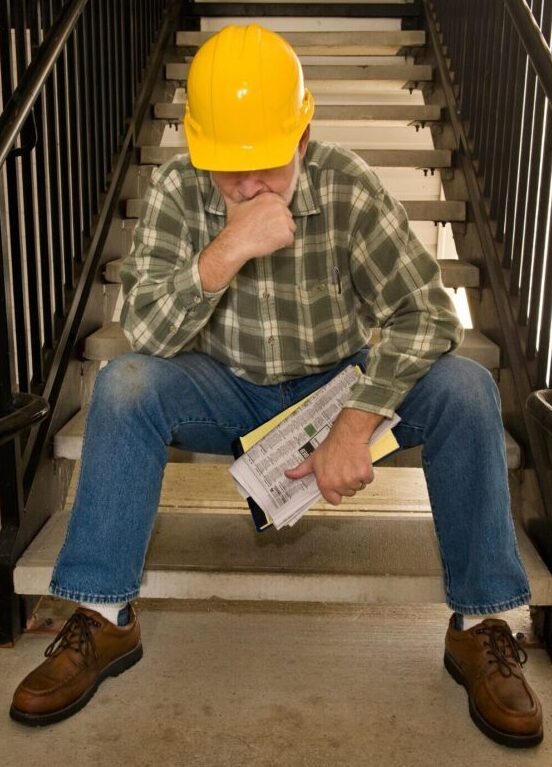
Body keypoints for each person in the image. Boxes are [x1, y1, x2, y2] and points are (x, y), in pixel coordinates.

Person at [10, 24, 542, 747]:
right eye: (230, 170)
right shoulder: (176, 187)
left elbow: (425, 313)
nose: (250, 186)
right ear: (201, 151)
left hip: (338, 382)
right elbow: (146, 331)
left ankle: (481, 625)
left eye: (266, 165)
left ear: (303, 136)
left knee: (467, 386)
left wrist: (356, 422)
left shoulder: (348, 185)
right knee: (125, 383)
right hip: (224, 383)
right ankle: (103, 616)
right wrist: (228, 248)